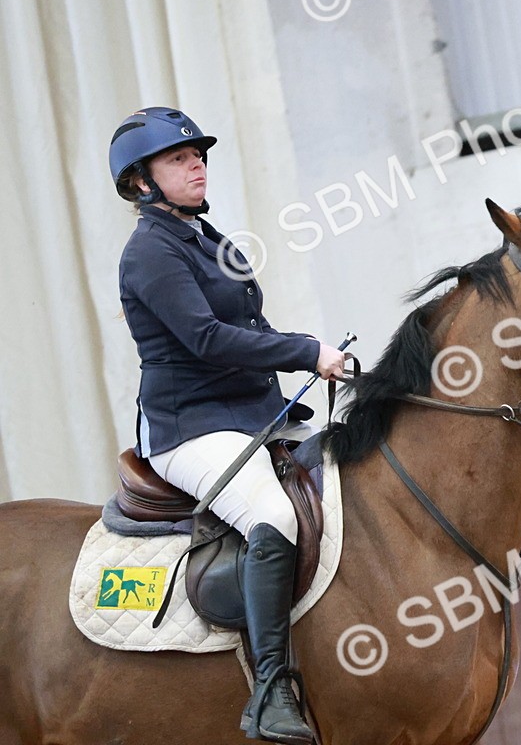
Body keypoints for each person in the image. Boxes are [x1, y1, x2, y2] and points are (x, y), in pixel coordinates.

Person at [109, 106, 343, 745]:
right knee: (275, 516)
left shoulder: (209, 240)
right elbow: (208, 340)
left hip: (249, 414)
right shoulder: (150, 253)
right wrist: (306, 351)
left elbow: (254, 329)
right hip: (191, 428)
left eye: (199, 155)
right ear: (141, 182)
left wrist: (321, 366)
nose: (196, 165)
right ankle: (269, 692)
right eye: (179, 159)